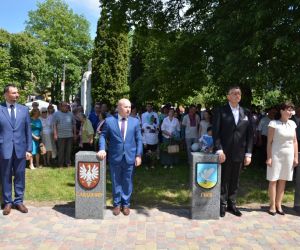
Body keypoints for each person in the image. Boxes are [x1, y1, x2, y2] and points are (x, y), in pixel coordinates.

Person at [97, 98, 143, 216]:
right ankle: (117, 204)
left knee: (127, 181)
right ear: (118, 108)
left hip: (130, 157)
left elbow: (139, 139)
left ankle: (126, 204)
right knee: (116, 180)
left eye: (129, 107)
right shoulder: (109, 121)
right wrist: (102, 148)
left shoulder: (135, 122)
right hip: (115, 156)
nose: (129, 109)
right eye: (126, 107)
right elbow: (102, 136)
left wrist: (138, 155)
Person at [212, 86, 253, 217]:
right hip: (225, 152)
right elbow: (216, 133)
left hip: (239, 153)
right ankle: (222, 204)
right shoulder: (220, 111)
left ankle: (232, 204)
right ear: (228, 96)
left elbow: (250, 135)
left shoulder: (246, 112)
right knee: (224, 178)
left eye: (239, 93)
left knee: (235, 179)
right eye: (233, 93)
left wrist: (248, 154)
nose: (237, 95)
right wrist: (219, 150)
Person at [0, 84, 32, 215]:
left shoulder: (24, 110)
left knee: (20, 176)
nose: (17, 95)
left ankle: (18, 201)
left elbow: (28, 131)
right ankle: (8, 202)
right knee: (5, 176)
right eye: (13, 93)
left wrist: (29, 149)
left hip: (20, 149)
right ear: (6, 95)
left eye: (17, 93)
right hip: (4, 149)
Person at [266, 102, 298, 215]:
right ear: (282, 111)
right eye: (288, 110)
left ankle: (279, 204)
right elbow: (269, 142)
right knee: (273, 180)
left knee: (283, 180)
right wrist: (269, 157)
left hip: (288, 155)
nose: (290, 112)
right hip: (275, 154)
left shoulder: (293, 124)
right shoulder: (273, 123)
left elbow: (294, 141)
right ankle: (272, 204)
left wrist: (296, 157)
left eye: (291, 110)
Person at [53, 101, 76, 167]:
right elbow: (54, 125)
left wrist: (74, 134)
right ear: (61, 107)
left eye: (67, 106)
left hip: (70, 135)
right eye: (64, 106)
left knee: (69, 150)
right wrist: (55, 134)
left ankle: (68, 163)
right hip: (60, 135)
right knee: (61, 151)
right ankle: (60, 164)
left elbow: (74, 124)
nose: (66, 107)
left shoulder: (71, 114)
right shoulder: (56, 114)